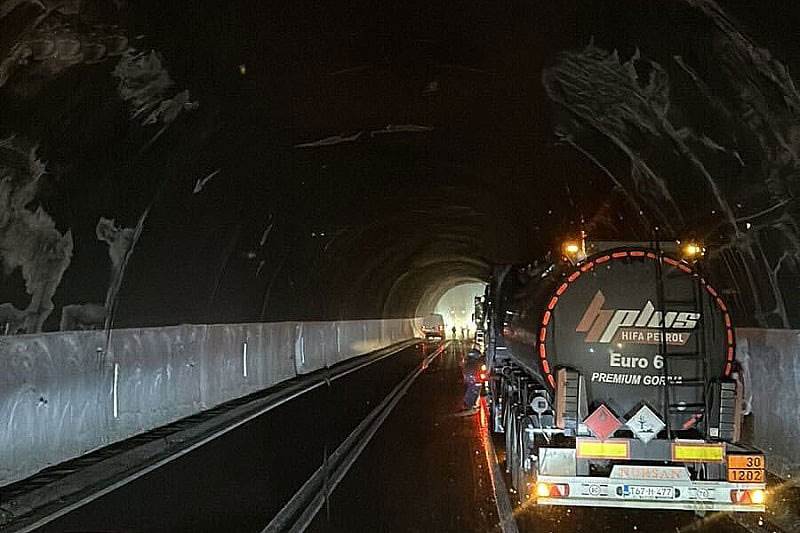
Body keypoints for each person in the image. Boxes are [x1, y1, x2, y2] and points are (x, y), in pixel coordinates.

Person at [458, 347, 483, 415]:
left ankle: (468, 404)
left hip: (470, 377)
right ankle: (468, 404)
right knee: (474, 389)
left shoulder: (469, 360)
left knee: (472, 388)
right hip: (472, 378)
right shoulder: (474, 361)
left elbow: (462, 366)